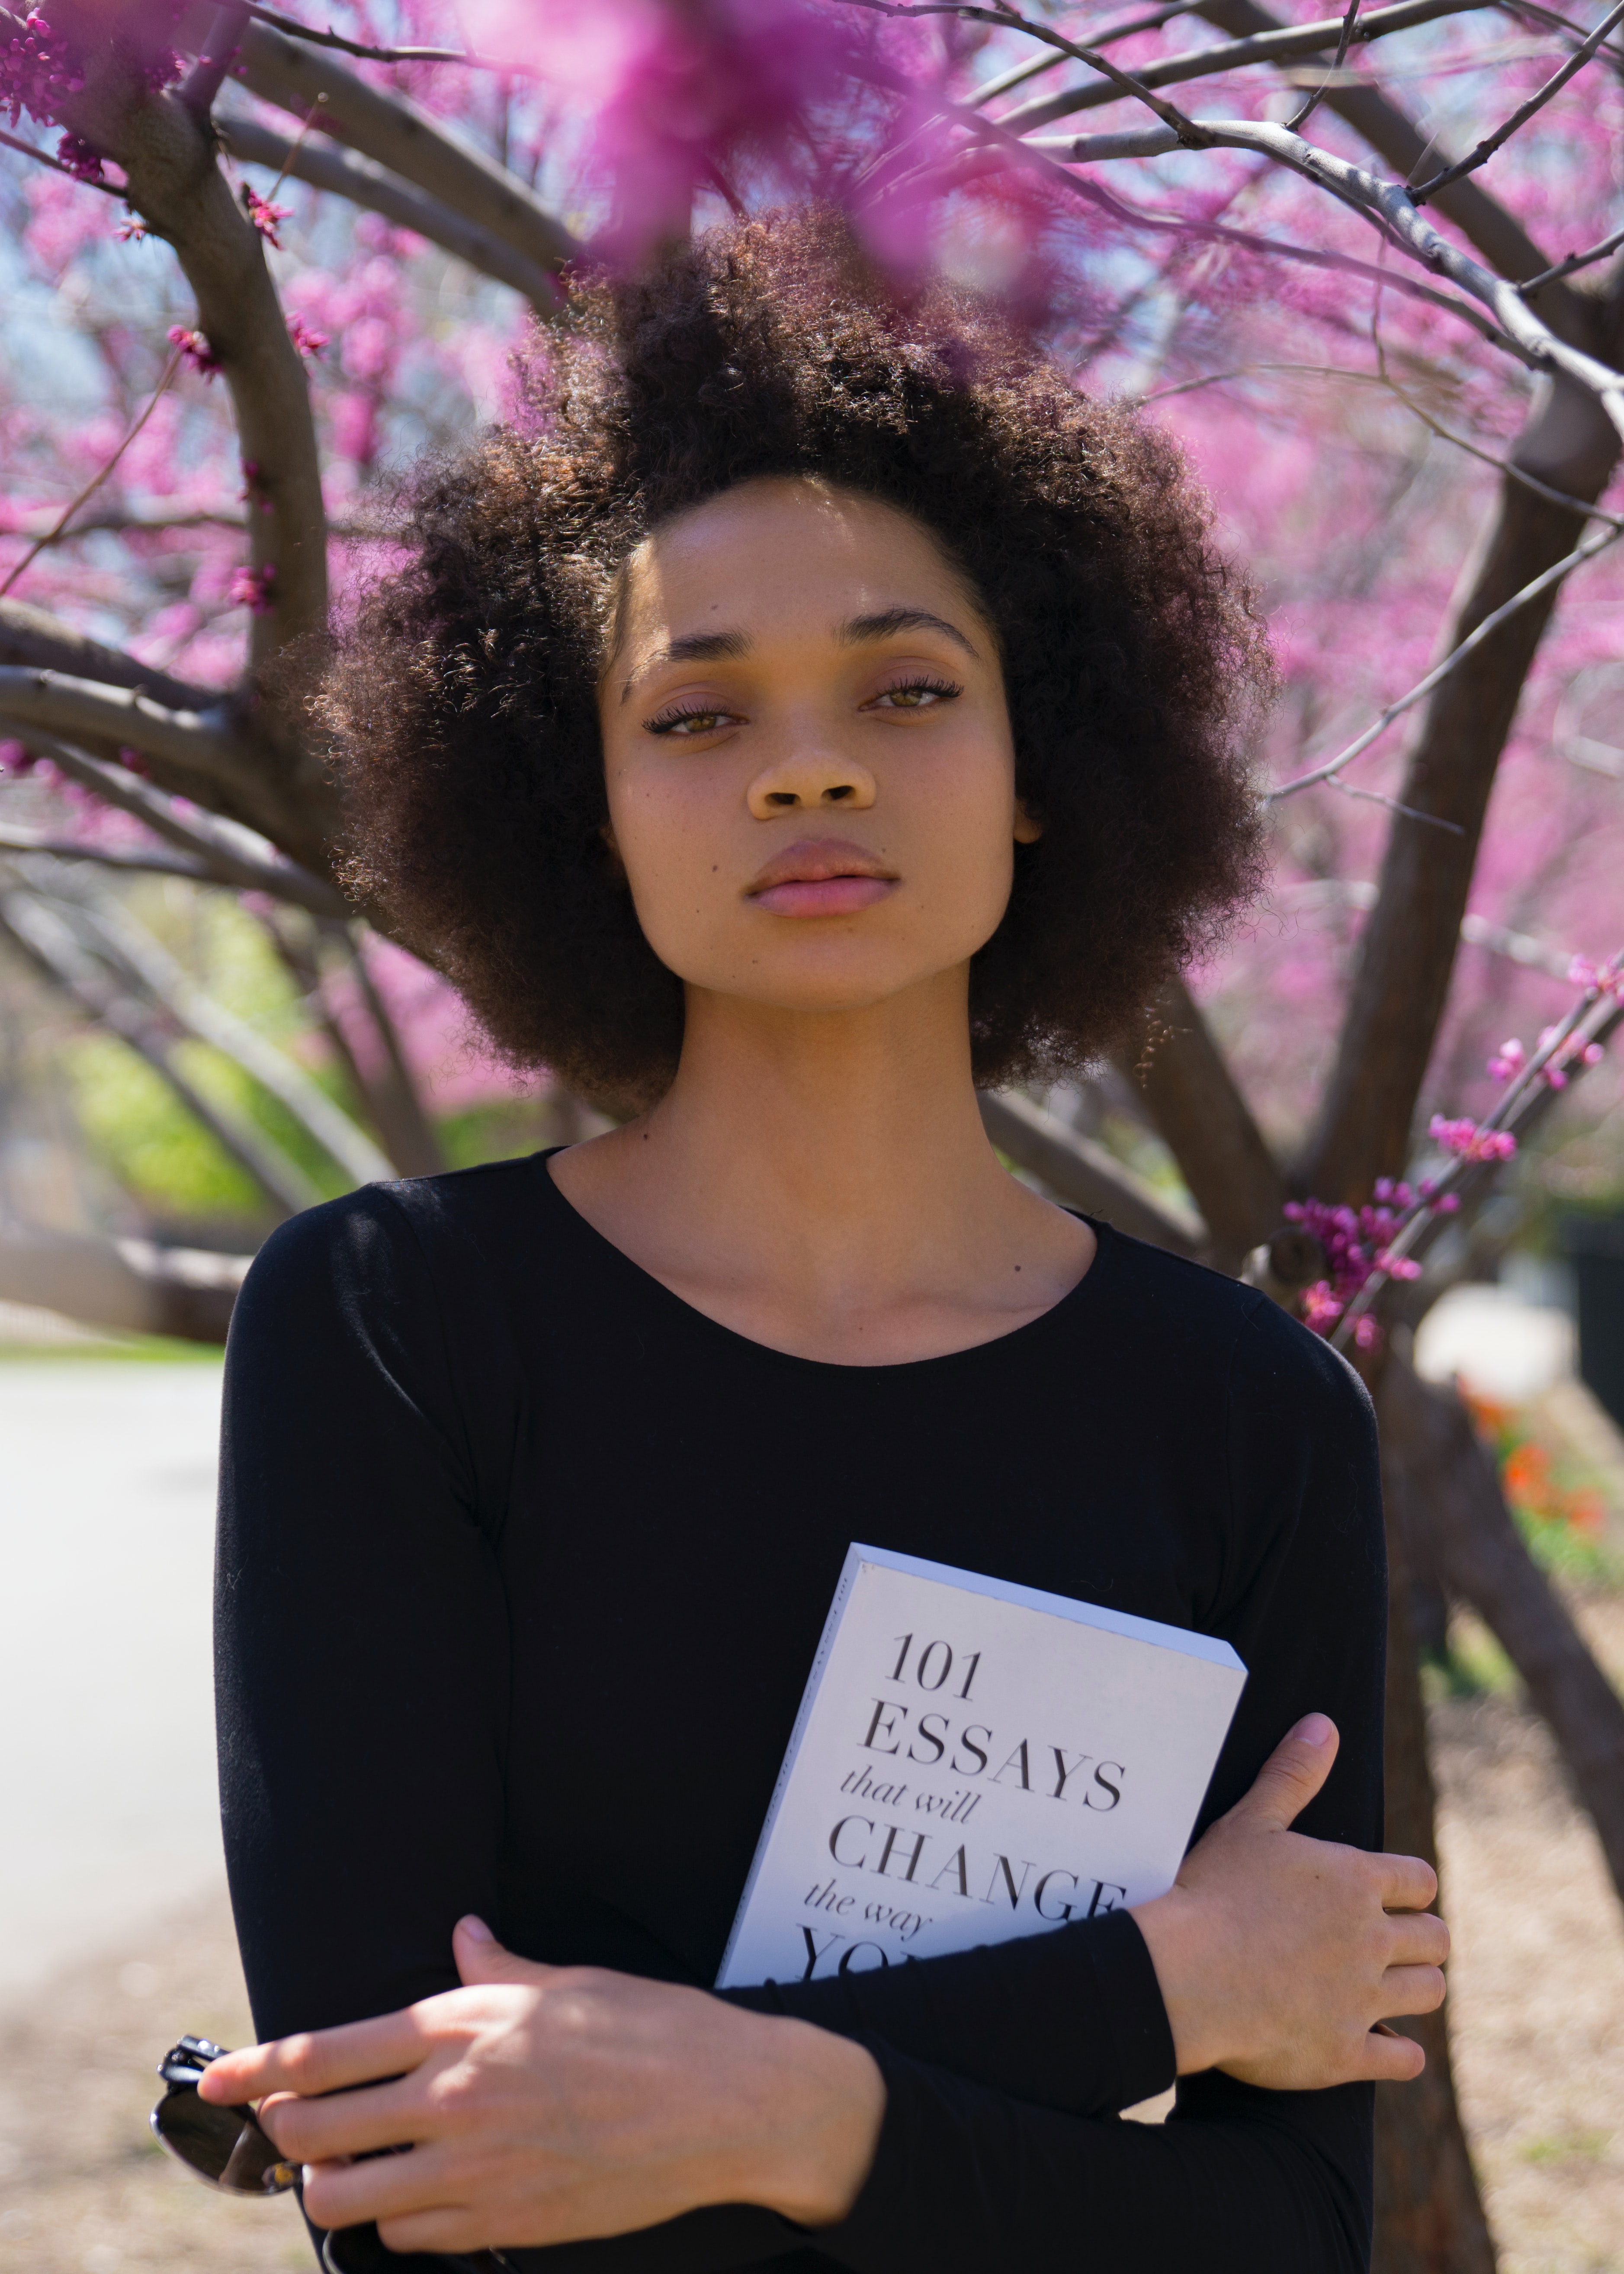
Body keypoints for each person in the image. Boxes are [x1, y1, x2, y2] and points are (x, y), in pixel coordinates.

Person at [202, 212, 1447, 2274]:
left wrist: (730, 2113)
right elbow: (415, 2189)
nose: (811, 762)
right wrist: (1155, 1994)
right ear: (577, 797)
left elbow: (1289, 2231)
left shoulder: (1249, 1418)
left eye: (907, 685)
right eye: (696, 717)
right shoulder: (393, 1329)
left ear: (1045, 765)